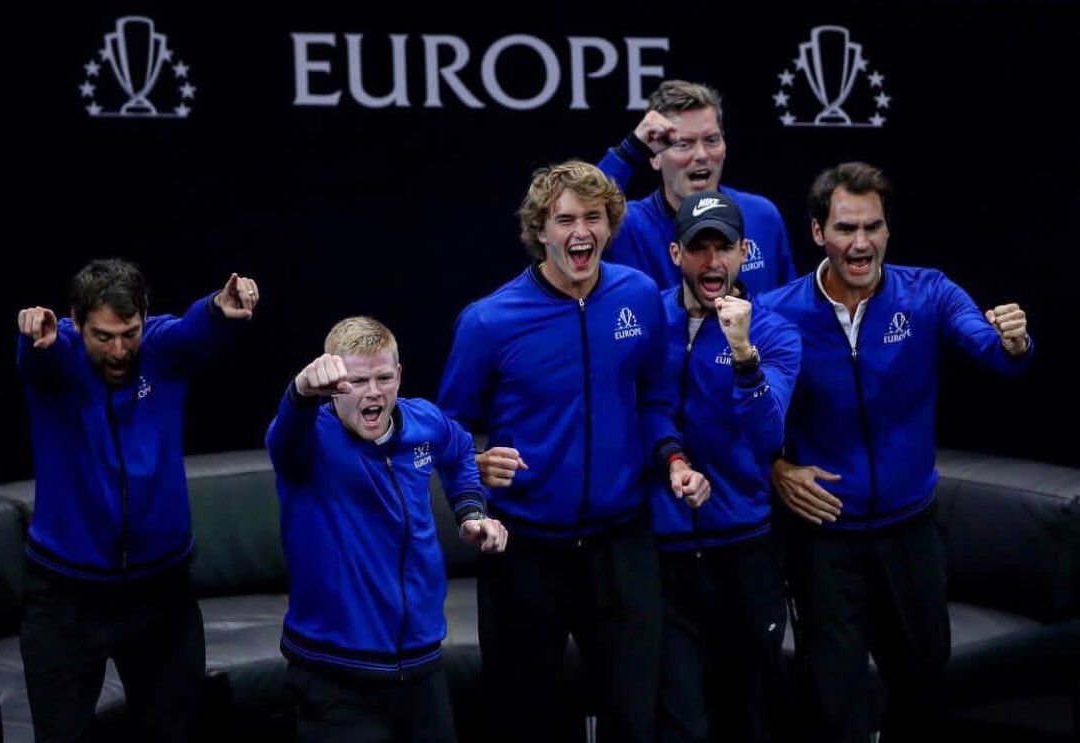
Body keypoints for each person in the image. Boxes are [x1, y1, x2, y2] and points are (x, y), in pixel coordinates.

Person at [758, 161, 1034, 742]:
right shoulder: (777, 312)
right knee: (834, 705)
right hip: (824, 541)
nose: (860, 244)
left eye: (873, 227)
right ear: (818, 232)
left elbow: (991, 348)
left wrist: (1015, 342)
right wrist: (777, 468)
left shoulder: (927, 292)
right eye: (845, 228)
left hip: (910, 535)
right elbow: (740, 416)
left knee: (923, 694)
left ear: (887, 230)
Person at [438, 159, 710, 743]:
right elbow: (448, 429)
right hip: (525, 551)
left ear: (610, 225)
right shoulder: (489, 321)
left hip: (622, 544)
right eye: (565, 220)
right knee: (522, 721)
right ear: (540, 230)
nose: (581, 232)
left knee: (634, 719)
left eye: (593, 217)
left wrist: (675, 460)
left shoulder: (639, 295)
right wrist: (475, 465)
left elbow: (655, 401)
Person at [15, 258, 260, 742]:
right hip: (66, 598)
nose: (119, 350)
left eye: (129, 333)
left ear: (144, 318)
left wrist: (219, 306)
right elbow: (39, 358)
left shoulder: (161, 351)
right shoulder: (57, 356)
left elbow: (193, 330)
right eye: (103, 337)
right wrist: (33, 338)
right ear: (76, 321)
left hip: (161, 593)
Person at [266, 315, 507, 743]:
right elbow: (281, 441)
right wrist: (299, 394)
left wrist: (470, 513)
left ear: (399, 375)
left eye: (383, 378)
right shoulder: (310, 438)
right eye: (358, 381)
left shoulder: (424, 421)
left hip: (421, 666)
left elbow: (459, 452)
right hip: (334, 674)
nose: (373, 392)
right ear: (333, 385)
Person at [652, 191, 801, 743]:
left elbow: (769, 435)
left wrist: (743, 355)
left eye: (724, 248)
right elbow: (644, 409)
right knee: (679, 723)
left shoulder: (774, 332)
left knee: (749, 718)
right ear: (676, 253)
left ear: (744, 253)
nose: (711, 261)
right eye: (698, 248)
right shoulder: (648, 321)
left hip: (744, 548)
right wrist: (673, 460)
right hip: (662, 555)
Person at [598, 79, 796, 296]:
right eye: (684, 144)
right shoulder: (626, 227)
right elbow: (582, 205)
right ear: (655, 156)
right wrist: (631, 150)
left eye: (711, 140)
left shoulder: (761, 217)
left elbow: (787, 307)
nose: (701, 155)